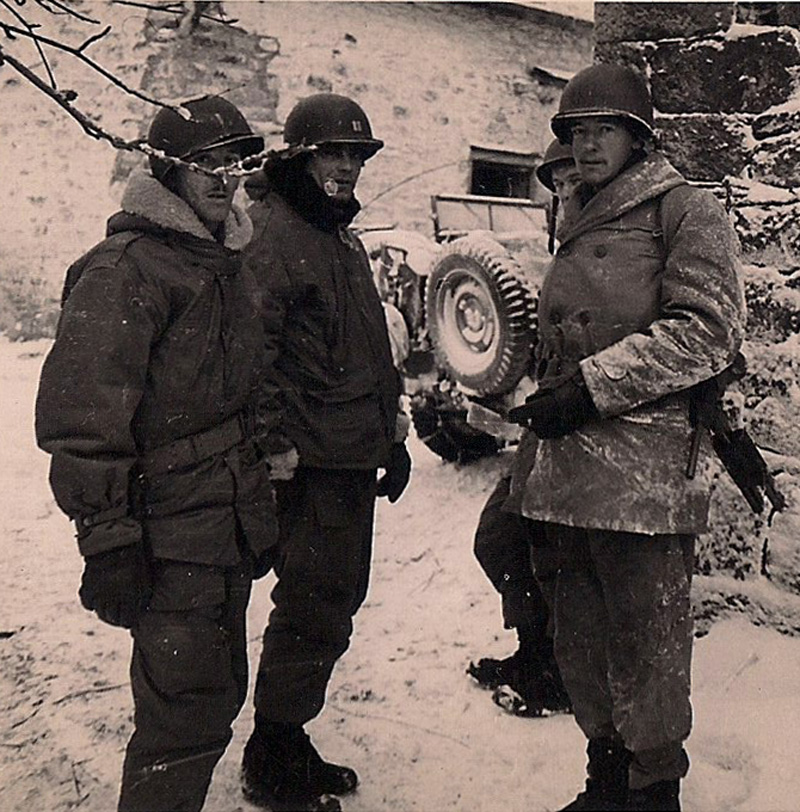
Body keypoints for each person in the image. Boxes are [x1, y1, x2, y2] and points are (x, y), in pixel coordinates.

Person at [508, 64, 745, 812]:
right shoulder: (575, 208)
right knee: (579, 631)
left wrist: (589, 389)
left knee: (648, 639)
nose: (582, 147)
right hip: (567, 466)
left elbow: (707, 332)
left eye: (600, 130)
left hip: (642, 468)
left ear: (639, 138)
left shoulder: (685, 210)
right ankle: (605, 776)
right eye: (574, 134)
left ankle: (651, 790)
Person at [35, 96, 275, 812]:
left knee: (209, 697)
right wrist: (106, 540)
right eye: (203, 163)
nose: (222, 177)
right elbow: (83, 418)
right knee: (184, 717)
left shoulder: (223, 260)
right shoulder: (125, 269)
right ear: (164, 172)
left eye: (234, 161)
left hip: (220, 522)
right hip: (166, 531)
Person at [240, 92, 411, 812]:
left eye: (355, 156)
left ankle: (286, 734)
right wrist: (274, 450)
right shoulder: (275, 234)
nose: (345, 168)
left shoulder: (339, 235)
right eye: (330, 155)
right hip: (307, 463)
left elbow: (368, 345)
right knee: (315, 602)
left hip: (348, 452)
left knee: (333, 597)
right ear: (297, 160)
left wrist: (392, 430)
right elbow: (253, 357)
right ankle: (273, 750)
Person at [468, 140, 581, 718]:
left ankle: (561, 672)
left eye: (573, 181)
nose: (564, 193)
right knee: (499, 538)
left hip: (592, 429)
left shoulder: (620, 247)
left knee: (555, 555)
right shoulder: (562, 248)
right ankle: (534, 650)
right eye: (556, 183)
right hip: (547, 425)